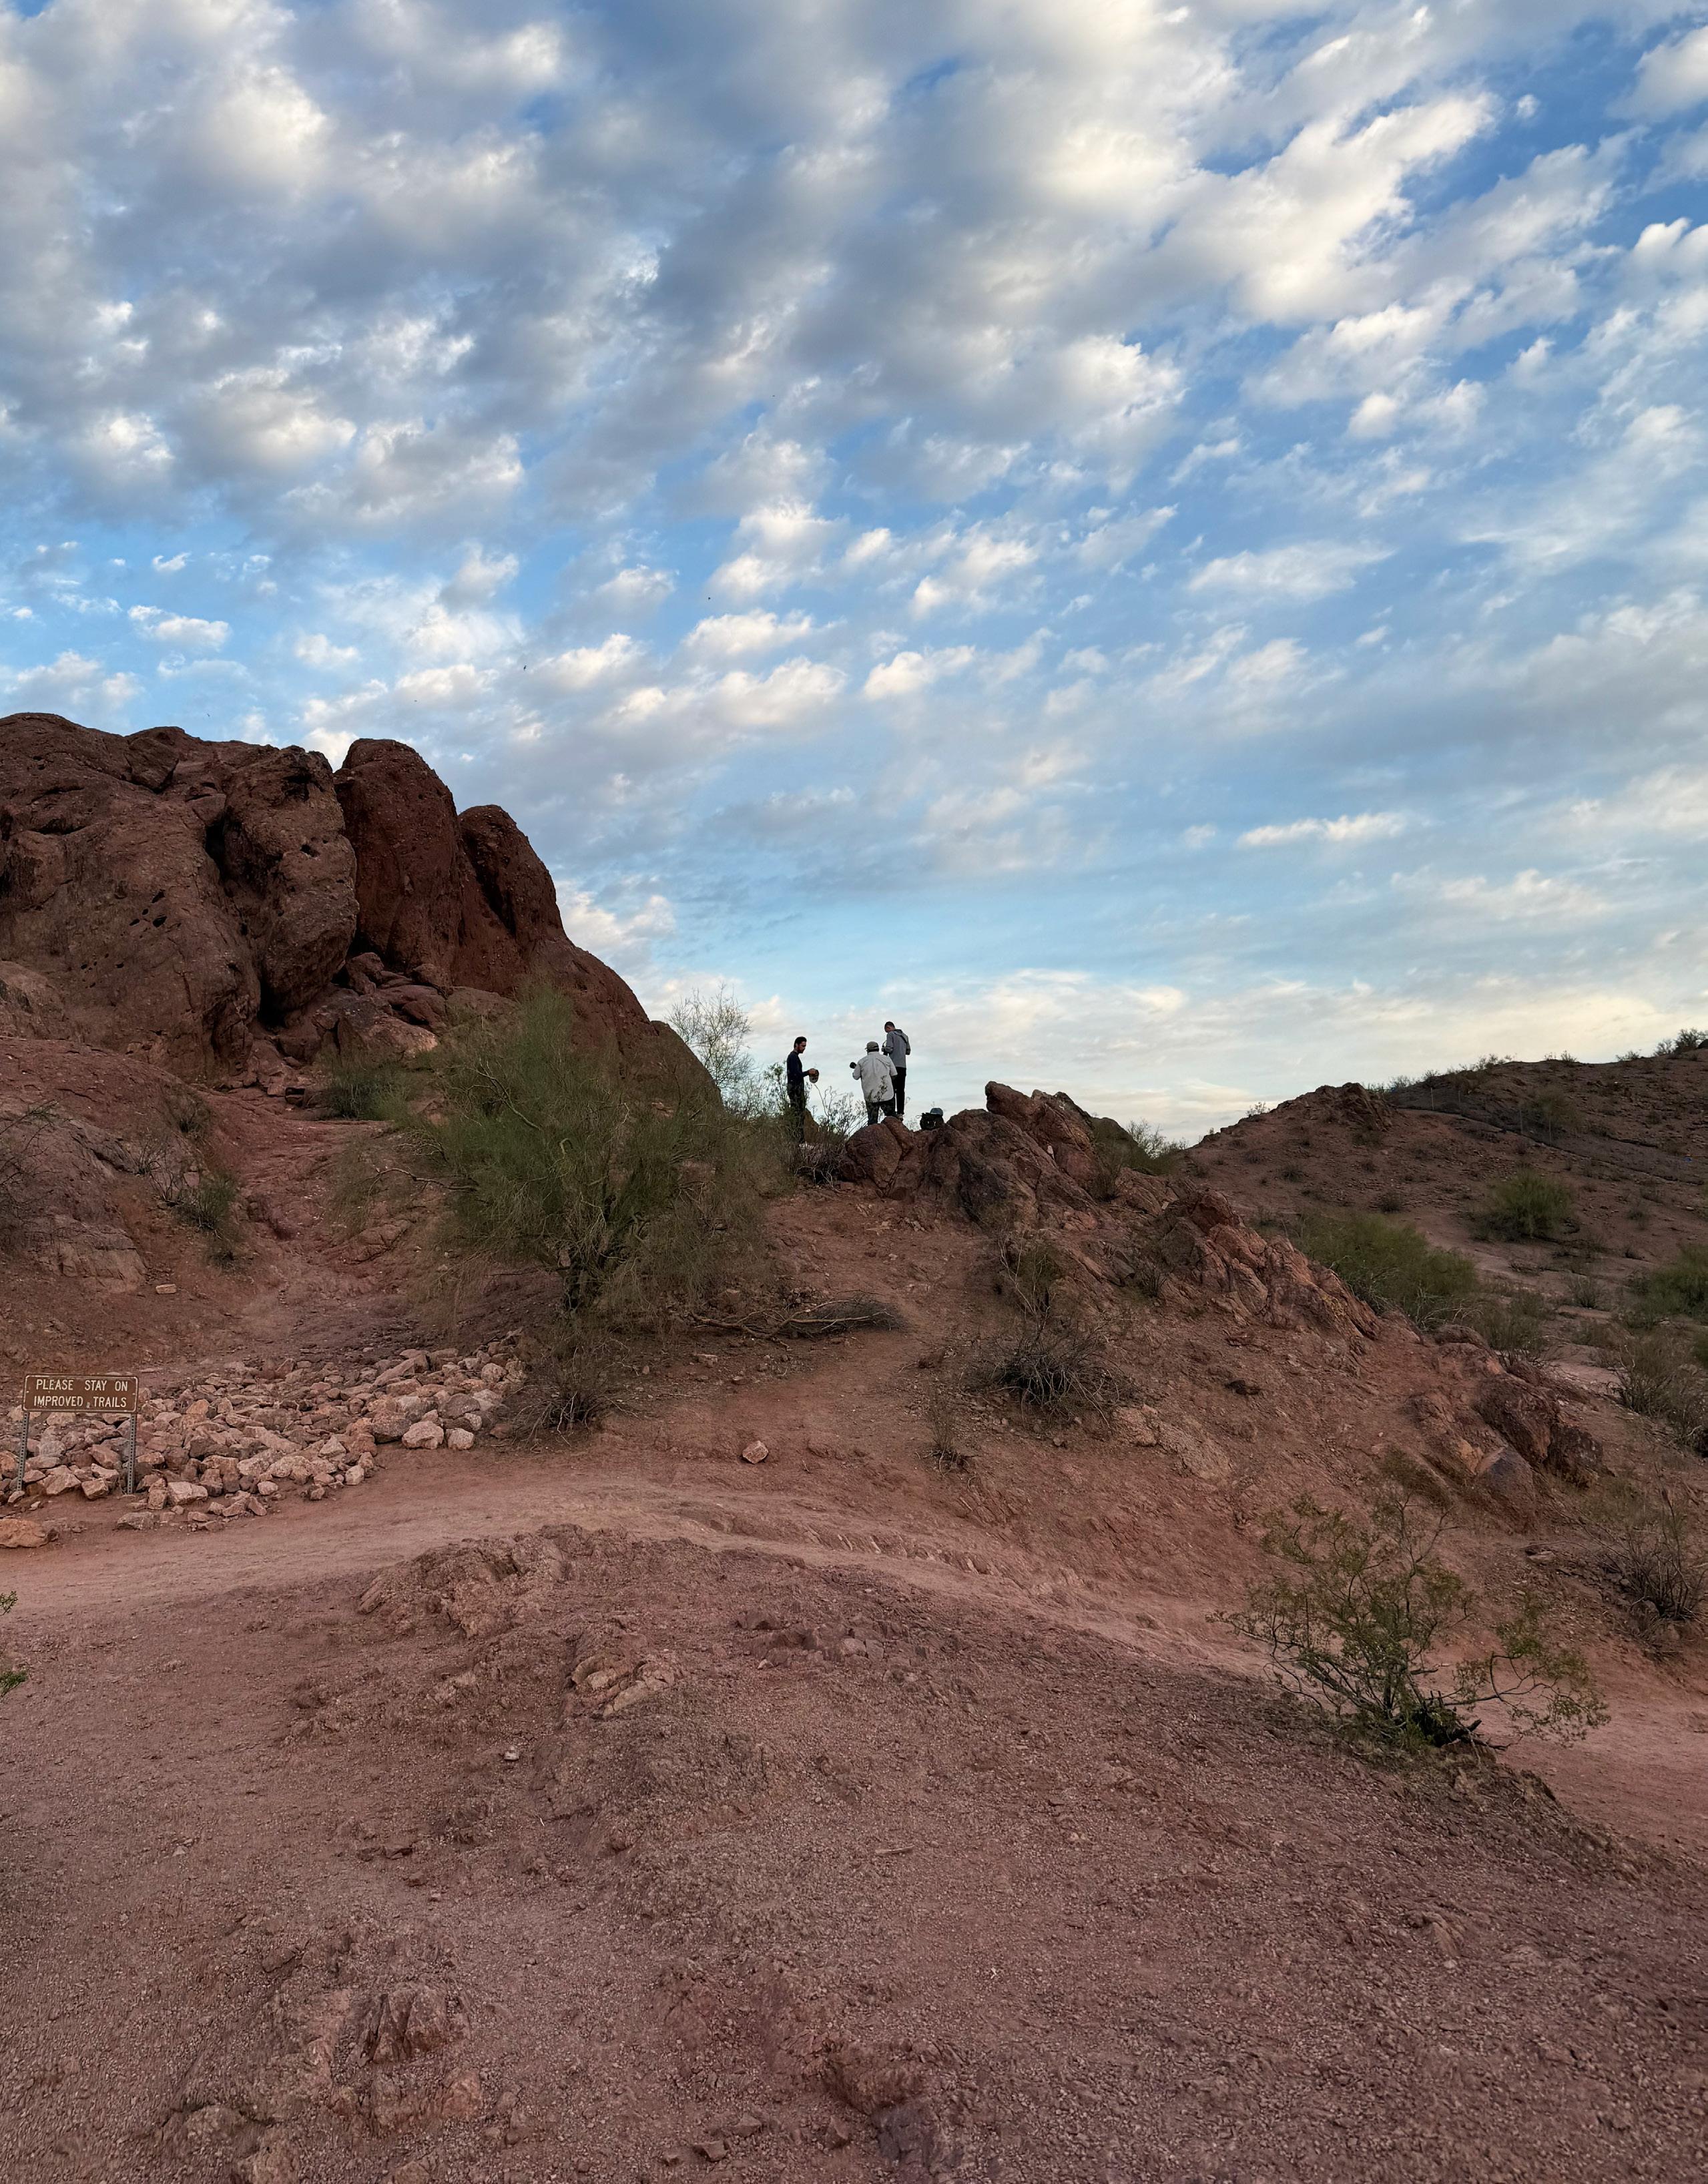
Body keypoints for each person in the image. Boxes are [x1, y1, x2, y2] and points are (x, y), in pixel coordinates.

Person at [851, 1040, 896, 1125]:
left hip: (871, 1096)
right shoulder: (887, 1059)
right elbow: (894, 1074)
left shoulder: (862, 1062)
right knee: (893, 1119)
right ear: (878, 1049)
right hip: (887, 1094)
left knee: (872, 1122)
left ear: (867, 1050)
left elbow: (855, 1076)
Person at [784, 1035, 817, 1143]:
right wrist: (808, 1072)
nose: (804, 1048)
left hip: (796, 1090)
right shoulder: (793, 1057)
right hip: (795, 1090)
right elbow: (795, 1074)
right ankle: (799, 1141)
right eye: (803, 1046)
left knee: (799, 1115)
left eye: (805, 1046)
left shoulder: (794, 1057)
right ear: (796, 1045)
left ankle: (799, 1140)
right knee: (798, 1115)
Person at [882, 1021, 911, 1118]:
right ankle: (900, 1113)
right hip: (903, 1066)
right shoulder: (905, 1036)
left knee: (891, 1090)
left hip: (893, 1066)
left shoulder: (891, 1034)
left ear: (888, 1028)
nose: (887, 1032)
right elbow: (908, 1051)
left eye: (886, 1031)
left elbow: (889, 1049)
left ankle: (892, 1112)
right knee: (901, 1090)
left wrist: (884, 1049)